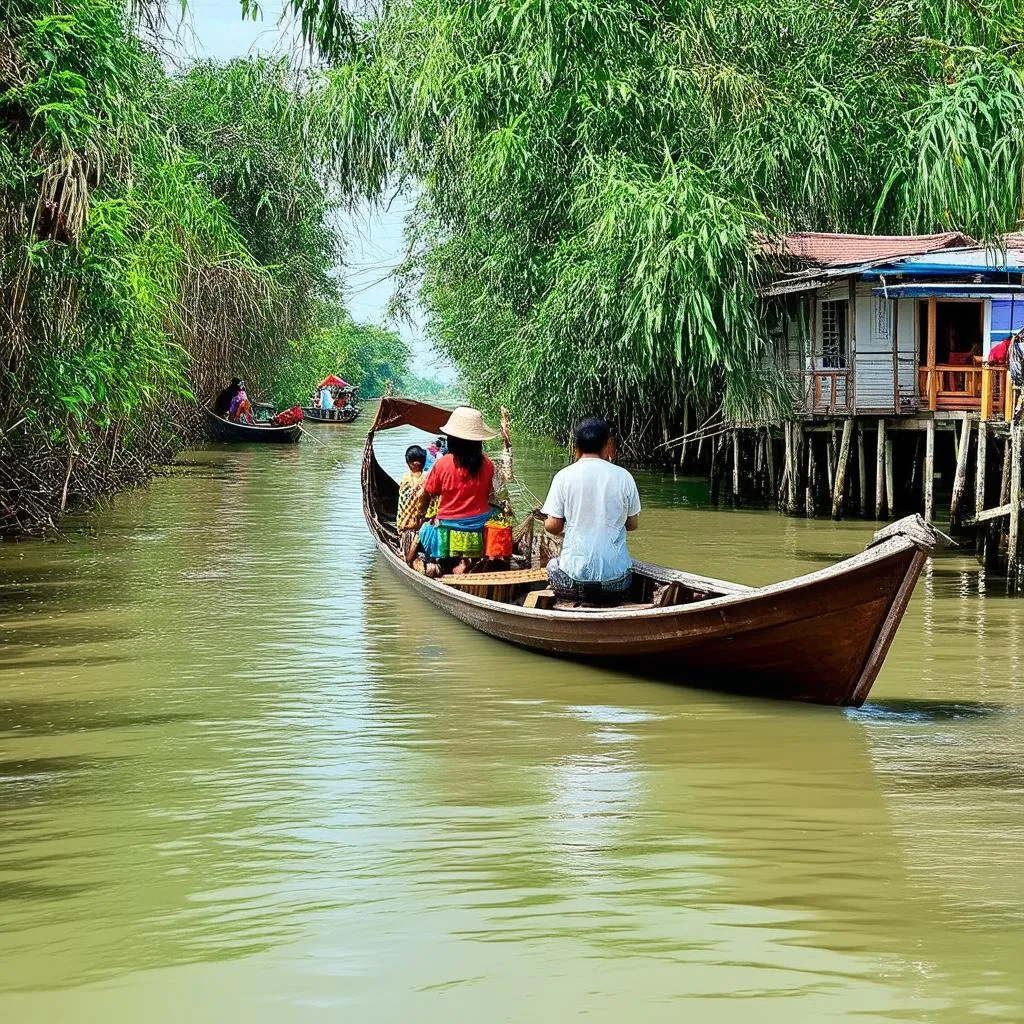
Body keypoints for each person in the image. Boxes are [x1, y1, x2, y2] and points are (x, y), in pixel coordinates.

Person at [541, 417, 641, 606]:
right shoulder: (624, 477)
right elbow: (632, 525)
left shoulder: (563, 477)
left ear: (576, 448)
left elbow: (553, 527)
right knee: (627, 566)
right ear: (608, 446)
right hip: (616, 582)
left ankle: (571, 601)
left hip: (573, 580)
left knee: (553, 566)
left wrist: (545, 521)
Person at [419, 407, 501, 572]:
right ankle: (468, 561)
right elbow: (488, 494)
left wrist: (421, 515)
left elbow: (429, 493)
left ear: (452, 440)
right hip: (480, 524)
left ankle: (444, 563)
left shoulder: (442, 464)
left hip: (449, 525)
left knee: (424, 531)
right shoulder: (488, 464)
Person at [397, 445, 429, 565]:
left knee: (407, 558)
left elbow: (402, 507)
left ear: (409, 463)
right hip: (425, 525)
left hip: (408, 529)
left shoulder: (405, 479)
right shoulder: (428, 478)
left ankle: (408, 556)